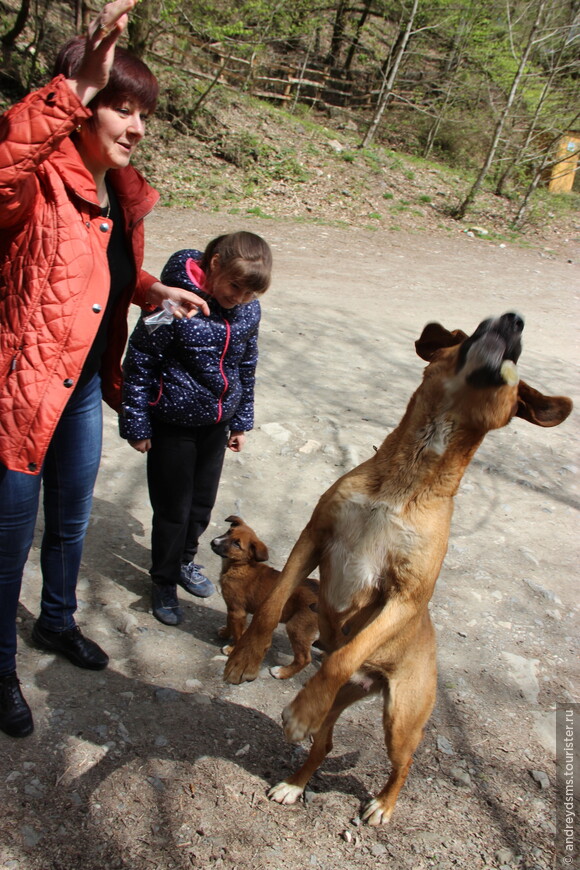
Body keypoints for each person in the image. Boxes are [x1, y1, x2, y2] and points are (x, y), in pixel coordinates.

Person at [0, 0, 210, 739]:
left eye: (142, 112)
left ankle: (56, 622)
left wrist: (149, 287)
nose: (137, 126)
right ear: (82, 106)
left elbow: (93, 272)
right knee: (8, 540)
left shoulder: (117, 193)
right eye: (120, 108)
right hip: (24, 392)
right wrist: (71, 87)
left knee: (71, 524)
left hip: (84, 387)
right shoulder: (33, 182)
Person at [120, 231, 272, 626]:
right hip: (172, 423)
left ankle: (185, 561)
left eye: (249, 294)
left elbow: (246, 365)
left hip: (217, 425)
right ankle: (164, 580)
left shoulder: (247, 312)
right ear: (214, 264)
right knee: (173, 509)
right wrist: (136, 422)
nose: (238, 298)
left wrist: (239, 421)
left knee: (201, 506)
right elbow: (139, 360)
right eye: (235, 286)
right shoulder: (171, 301)